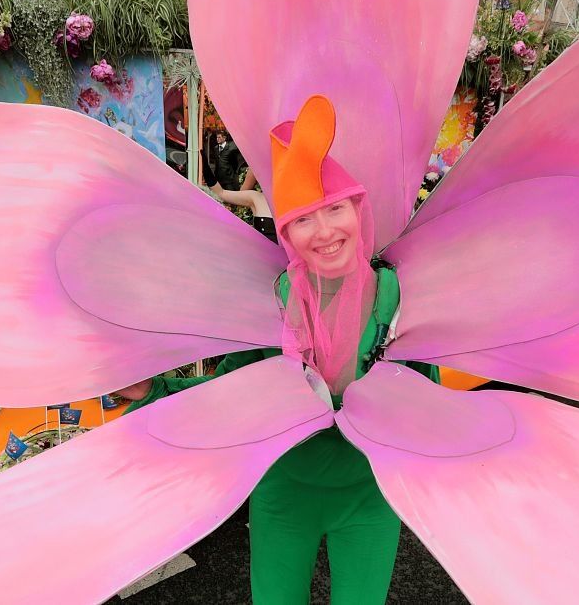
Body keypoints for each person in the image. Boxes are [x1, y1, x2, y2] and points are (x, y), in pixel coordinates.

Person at [124, 96, 438, 603]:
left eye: (335, 208)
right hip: (284, 492)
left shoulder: (397, 299)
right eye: (304, 219)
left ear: (358, 209)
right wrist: (154, 388)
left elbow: (428, 398)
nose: (325, 232)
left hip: (368, 497)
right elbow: (229, 392)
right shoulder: (272, 302)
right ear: (287, 232)